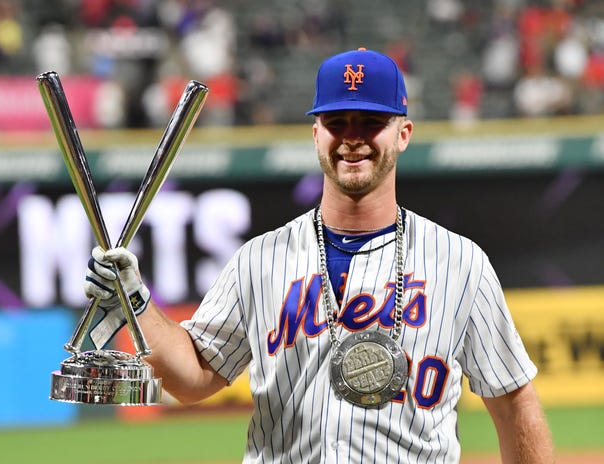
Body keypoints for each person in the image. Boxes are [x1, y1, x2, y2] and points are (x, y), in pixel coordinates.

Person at [84, 48, 555, 463]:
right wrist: (136, 303)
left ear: (404, 133)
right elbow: (194, 379)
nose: (352, 137)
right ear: (316, 134)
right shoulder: (259, 260)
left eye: (371, 121)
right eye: (336, 122)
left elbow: (513, 401)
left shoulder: (460, 262)